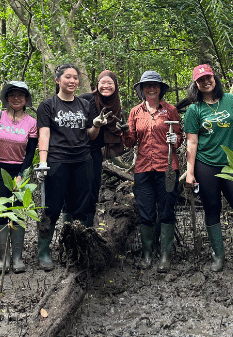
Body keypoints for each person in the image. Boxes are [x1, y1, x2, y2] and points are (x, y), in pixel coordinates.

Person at [33, 64, 108, 271]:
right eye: (68, 77)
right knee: (52, 207)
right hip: (58, 160)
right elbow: (44, 134)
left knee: (80, 207)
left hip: (82, 160)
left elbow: (90, 135)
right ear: (58, 80)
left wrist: (97, 125)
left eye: (75, 78)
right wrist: (42, 162)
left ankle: (75, 250)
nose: (72, 81)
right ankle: (44, 252)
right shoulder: (48, 105)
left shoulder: (84, 104)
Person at [184, 64, 233, 272]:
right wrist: (190, 171)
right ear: (196, 84)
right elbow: (192, 143)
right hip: (206, 165)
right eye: (200, 80)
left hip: (231, 164)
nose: (206, 82)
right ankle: (219, 256)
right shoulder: (194, 110)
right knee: (212, 208)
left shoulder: (231, 101)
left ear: (215, 78)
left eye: (208, 77)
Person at [122, 71, 182, 272]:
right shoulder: (135, 112)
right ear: (141, 89)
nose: (151, 89)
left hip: (167, 168)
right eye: (147, 86)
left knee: (166, 211)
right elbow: (130, 142)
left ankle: (165, 256)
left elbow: (180, 135)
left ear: (160, 89)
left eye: (154, 86)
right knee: (146, 212)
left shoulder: (170, 110)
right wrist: (123, 131)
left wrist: (177, 140)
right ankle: (148, 253)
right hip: (143, 169)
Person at [0, 81, 38, 274]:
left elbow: (30, 152)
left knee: (17, 212)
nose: (16, 98)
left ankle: (17, 258)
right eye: (12, 95)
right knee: (0, 211)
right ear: (7, 98)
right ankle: (4, 258)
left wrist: (21, 175)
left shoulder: (31, 122)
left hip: (20, 171)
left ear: (26, 99)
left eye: (20, 95)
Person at [77, 70, 126, 228]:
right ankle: (73, 229)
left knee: (93, 190)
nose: (106, 86)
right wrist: (95, 125)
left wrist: (123, 130)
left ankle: (88, 231)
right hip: (78, 152)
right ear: (96, 85)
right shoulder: (86, 99)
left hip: (95, 152)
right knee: (77, 191)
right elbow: (75, 128)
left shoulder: (116, 104)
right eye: (102, 83)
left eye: (109, 83)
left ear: (115, 86)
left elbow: (115, 132)